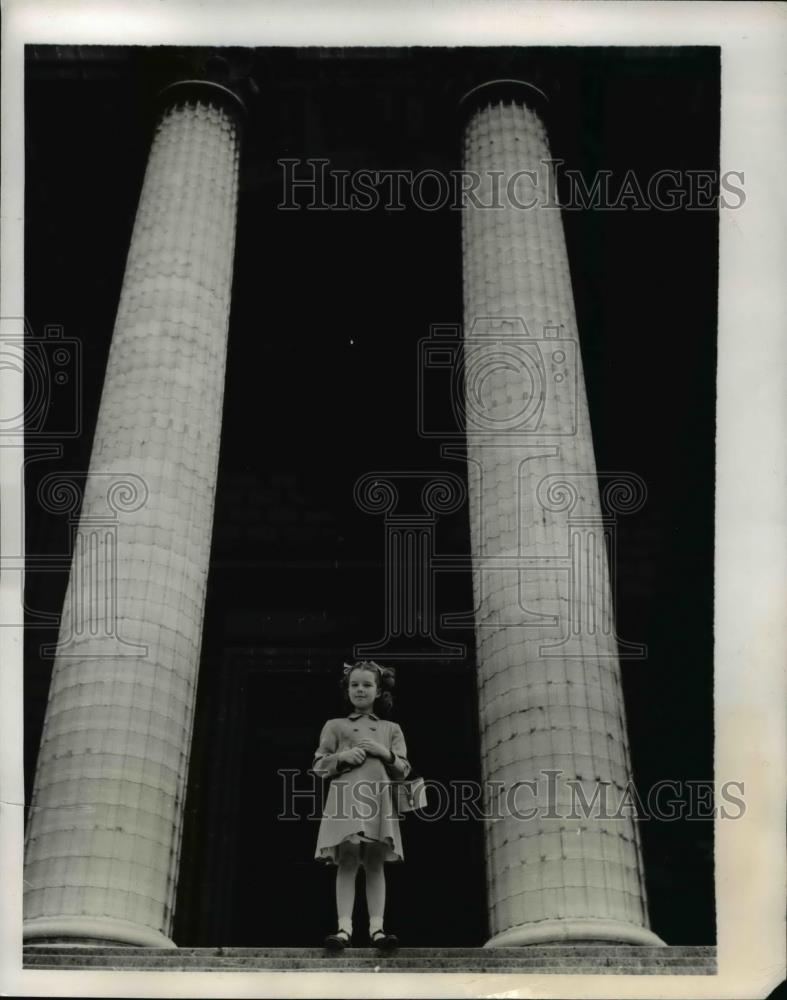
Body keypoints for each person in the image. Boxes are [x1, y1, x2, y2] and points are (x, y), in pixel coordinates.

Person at [312, 660, 410, 951]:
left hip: (377, 799)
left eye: (367, 685)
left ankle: (377, 929)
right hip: (346, 799)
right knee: (348, 860)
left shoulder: (391, 729)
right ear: (347, 689)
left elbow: (403, 769)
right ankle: (344, 928)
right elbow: (318, 765)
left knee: (376, 862)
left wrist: (385, 753)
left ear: (379, 691)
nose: (360, 690)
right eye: (354, 684)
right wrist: (343, 757)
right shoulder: (335, 726)